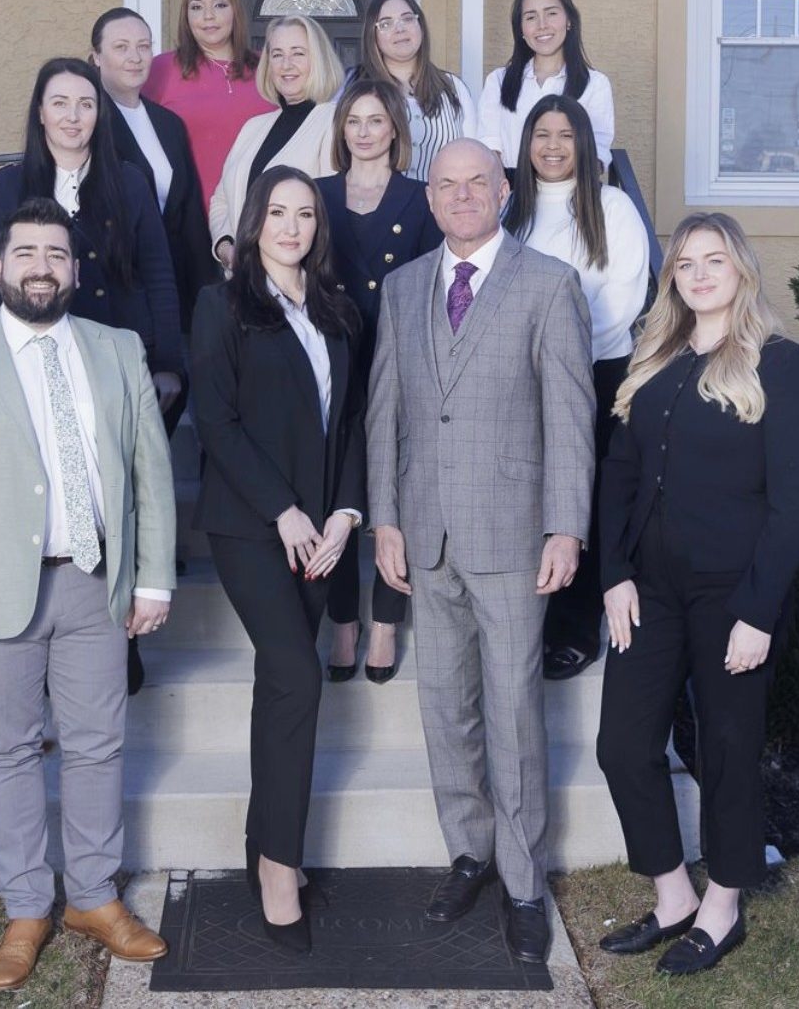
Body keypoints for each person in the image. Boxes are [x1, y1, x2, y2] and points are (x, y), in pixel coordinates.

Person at [0, 198, 176, 991]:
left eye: (55, 254)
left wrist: (152, 577)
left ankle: (92, 896)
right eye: (25, 254)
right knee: (9, 750)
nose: (41, 267)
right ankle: (27, 906)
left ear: (76, 270)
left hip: (95, 585)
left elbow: (149, 473)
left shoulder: (118, 349)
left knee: (97, 746)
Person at [367, 138, 595, 965]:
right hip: (425, 535)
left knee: (511, 711)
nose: (461, 196)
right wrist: (385, 519)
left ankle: (523, 880)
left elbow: (570, 420)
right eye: (445, 185)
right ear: (428, 199)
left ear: (503, 190)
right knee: (445, 708)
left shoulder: (548, 285)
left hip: (511, 535)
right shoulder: (400, 289)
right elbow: (383, 412)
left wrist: (564, 527)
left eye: (476, 183)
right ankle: (468, 851)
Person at [596, 213, 799, 976]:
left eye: (712, 260)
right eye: (683, 262)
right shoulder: (653, 356)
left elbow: (793, 502)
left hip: (733, 596)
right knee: (622, 746)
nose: (696, 273)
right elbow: (617, 477)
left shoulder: (779, 365)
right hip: (648, 590)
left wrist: (758, 613)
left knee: (727, 751)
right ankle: (671, 897)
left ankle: (720, 908)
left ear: (740, 270)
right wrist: (613, 573)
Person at [190, 165, 365, 956]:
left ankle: (266, 842)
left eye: (305, 214)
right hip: (252, 527)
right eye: (279, 213)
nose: (292, 226)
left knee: (281, 685)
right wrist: (285, 510)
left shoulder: (338, 309)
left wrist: (345, 514)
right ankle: (278, 868)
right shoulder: (224, 302)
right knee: (296, 673)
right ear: (255, 220)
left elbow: (354, 422)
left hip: (322, 533)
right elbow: (217, 422)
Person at [0, 58, 183, 696]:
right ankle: (39, 658)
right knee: (52, 508)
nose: (72, 116)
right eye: (59, 103)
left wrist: (169, 362)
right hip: (34, 372)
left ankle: (124, 640)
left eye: (85, 104)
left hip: (117, 367)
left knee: (116, 503)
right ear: (40, 112)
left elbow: (159, 273)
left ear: (101, 114)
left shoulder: (128, 181)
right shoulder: (9, 185)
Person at [504, 94, 651, 679]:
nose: (553, 145)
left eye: (566, 134)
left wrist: (564, 360)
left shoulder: (612, 208)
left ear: (584, 143)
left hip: (596, 375)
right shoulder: (510, 208)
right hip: (520, 379)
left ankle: (574, 627)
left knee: (582, 502)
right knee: (528, 498)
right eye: (542, 133)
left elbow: (623, 297)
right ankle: (526, 618)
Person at [315, 78, 441, 683]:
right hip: (331, 359)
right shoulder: (315, 195)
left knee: (398, 490)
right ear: (342, 130)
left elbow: (436, 284)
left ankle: (386, 619)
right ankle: (343, 620)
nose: (364, 132)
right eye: (354, 121)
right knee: (336, 485)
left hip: (400, 356)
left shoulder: (420, 200)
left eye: (376, 120)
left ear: (395, 128)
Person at [90, 6, 218, 366]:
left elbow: (189, 212)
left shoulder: (168, 123)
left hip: (170, 293)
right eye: (121, 47)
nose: (135, 57)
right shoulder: (86, 123)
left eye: (144, 46)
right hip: (113, 295)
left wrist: (206, 297)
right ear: (96, 57)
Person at [208, 15, 342, 271]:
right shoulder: (254, 127)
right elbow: (221, 200)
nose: (286, 64)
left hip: (301, 286)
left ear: (319, 60)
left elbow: (330, 211)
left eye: (298, 53)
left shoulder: (334, 122)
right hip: (244, 285)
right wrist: (226, 247)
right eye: (277, 55)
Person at [143, 0, 276, 209]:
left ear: (235, 11)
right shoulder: (160, 69)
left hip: (261, 214)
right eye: (196, 7)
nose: (208, 16)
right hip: (187, 219)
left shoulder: (268, 67)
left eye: (220, 5)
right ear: (186, 17)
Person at [478, 0, 615, 173]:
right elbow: (489, 151)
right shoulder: (498, 81)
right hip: (513, 195)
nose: (542, 25)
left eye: (551, 13)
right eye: (531, 17)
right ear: (521, 29)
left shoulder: (595, 84)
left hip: (569, 194)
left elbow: (597, 153)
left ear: (569, 20)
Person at [348, 0, 476, 182]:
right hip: (382, 208)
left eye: (407, 19)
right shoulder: (356, 89)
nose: (399, 29)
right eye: (386, 24)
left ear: (420, 25)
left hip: (443, 207)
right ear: (372, 35)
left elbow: (473, 156)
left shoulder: (453, 88)